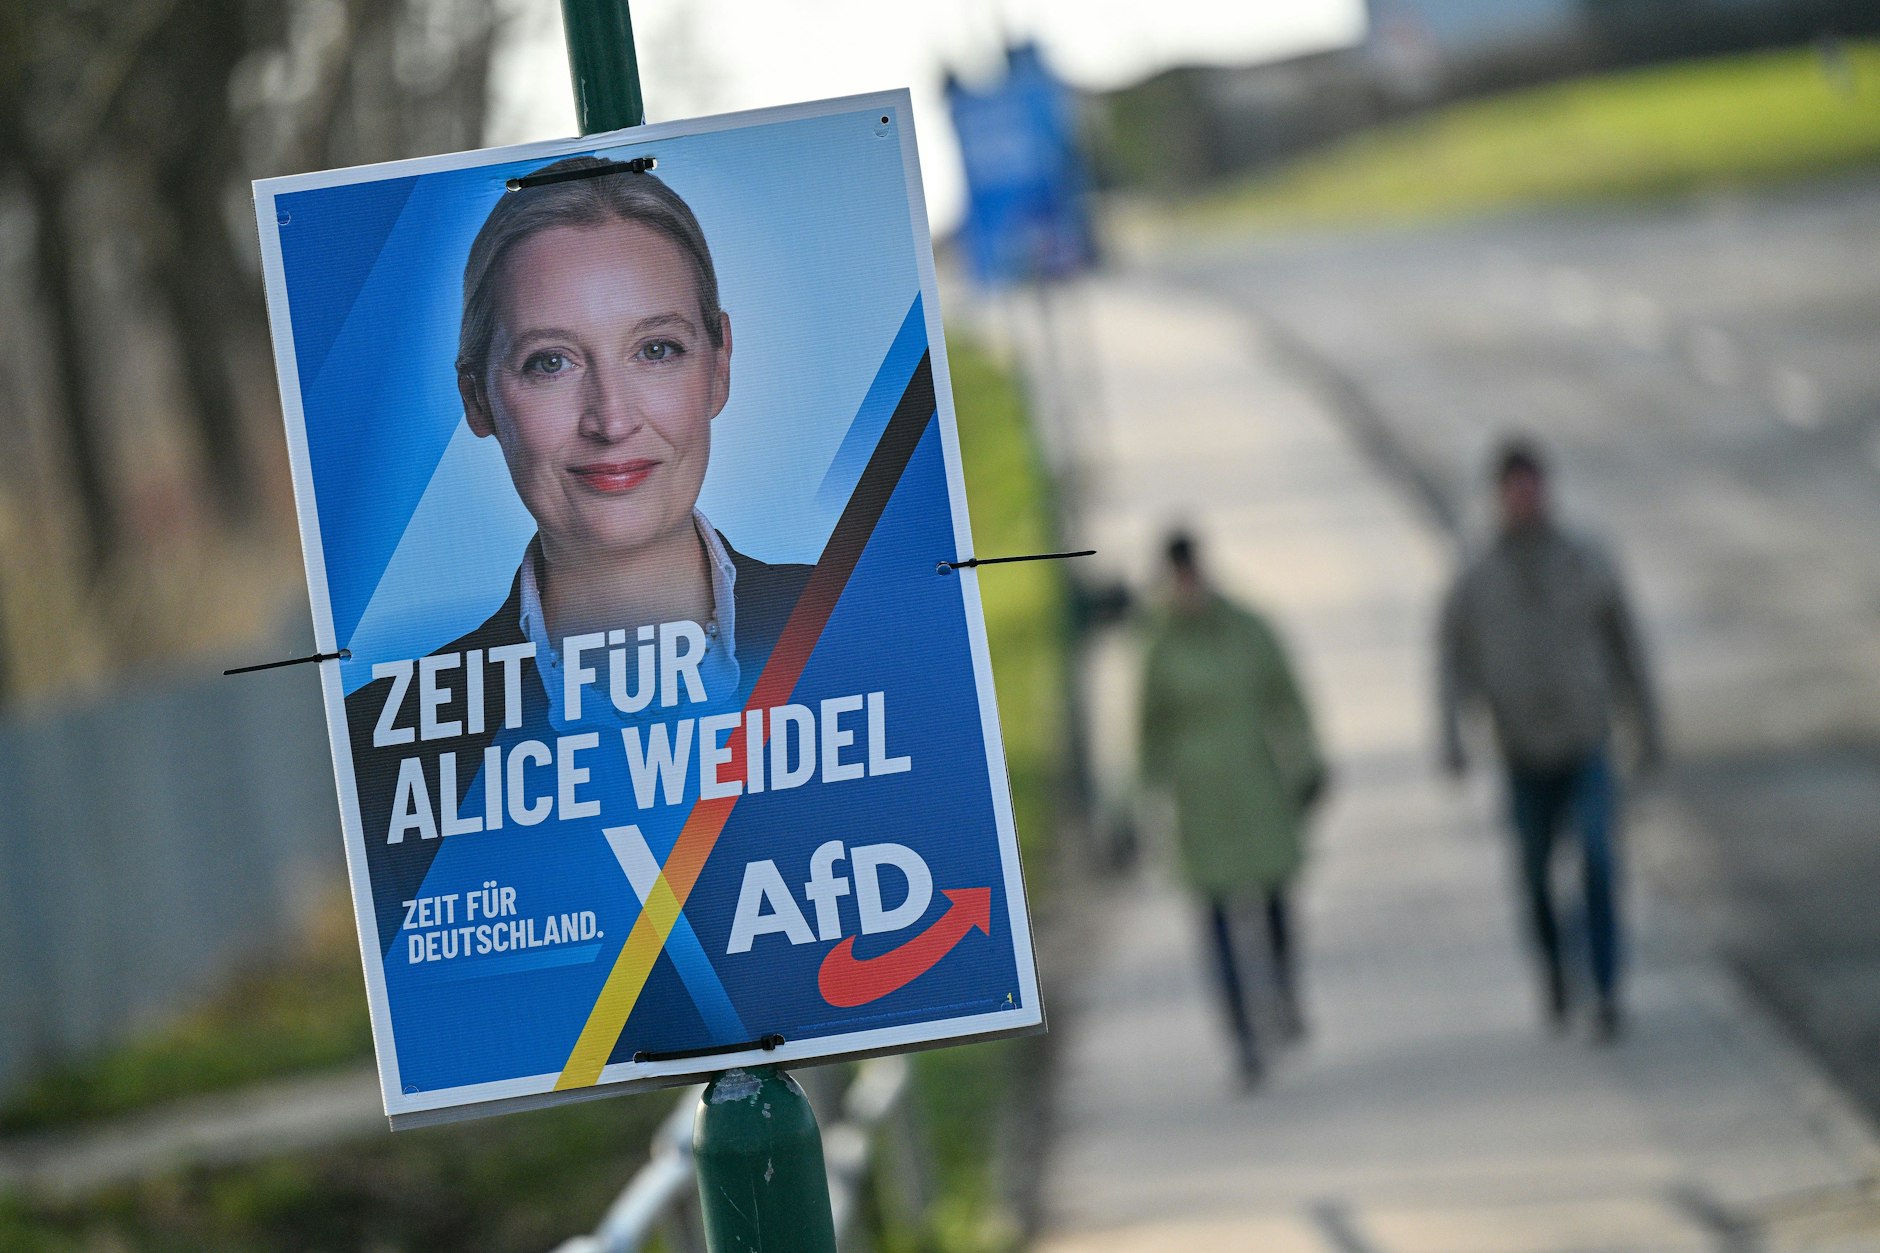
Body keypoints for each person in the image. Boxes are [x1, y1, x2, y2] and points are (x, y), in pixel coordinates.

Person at [344, 158, 810, 952]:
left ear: (719, 363)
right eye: (550, 362)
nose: (611, 418)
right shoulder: (388, 745)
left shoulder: (862, 628)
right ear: (478, 397)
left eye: (656, 349)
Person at [1438, 438, 1661, 1042]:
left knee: (1597, 859)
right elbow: (1452, 658)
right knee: (1536, 875)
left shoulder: (1584, 559)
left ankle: (1606, 986)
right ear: (1498, 496)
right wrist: (1453, 736)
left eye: (1533, 488)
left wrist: (1646, 726)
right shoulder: (1478, 575)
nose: (1526, 500)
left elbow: (1626, 644)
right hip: (1522, 750)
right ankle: (1556, 968)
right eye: (1514, 490)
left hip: (1585, 740)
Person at [1139, 531, 1325, 1087]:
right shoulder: (1159, 646)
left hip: (1257, 788)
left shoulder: (1247, 628)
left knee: (1275, 901)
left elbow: (1287, 697)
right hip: (1201, 804)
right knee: (1215, 919)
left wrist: (1306, 762)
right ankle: (1242, 1037)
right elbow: (1147, 730)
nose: (1187, 587)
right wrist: (1140, 804)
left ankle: (1283, 993)